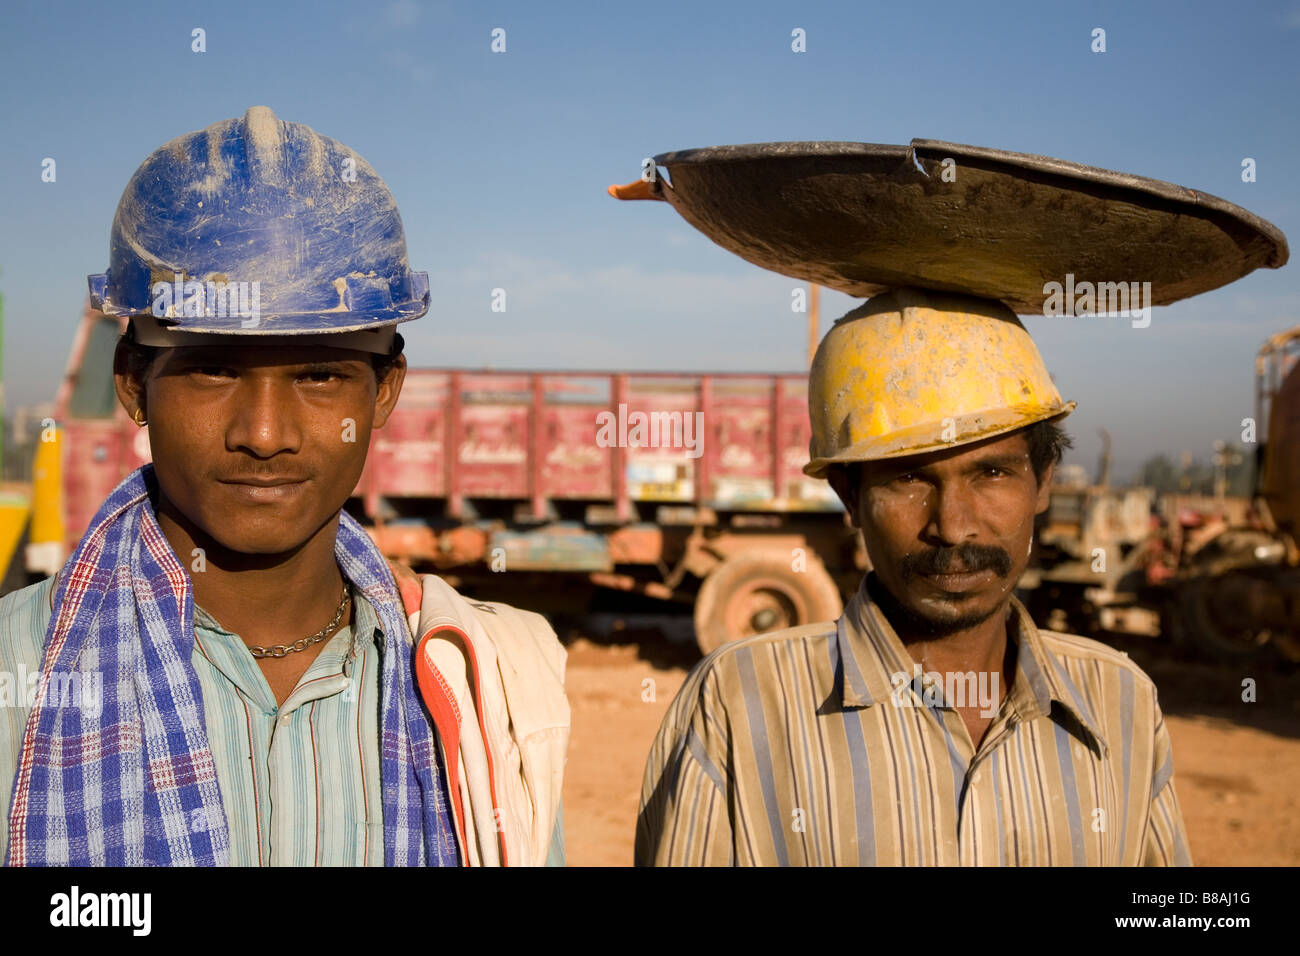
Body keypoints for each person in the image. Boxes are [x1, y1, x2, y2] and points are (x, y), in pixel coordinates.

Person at [0, 107, 568, 867]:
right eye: (212, 369)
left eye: (320, 373)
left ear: (384, 393)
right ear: (134, 385)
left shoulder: (488, 686)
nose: (264, 434)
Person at [637, 288, 1191, 866]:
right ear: (849, 495)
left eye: (993, 472)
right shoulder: (739, 701)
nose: (953, 528)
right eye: (908, 479)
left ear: (1043, 481)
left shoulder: (1120, 699)